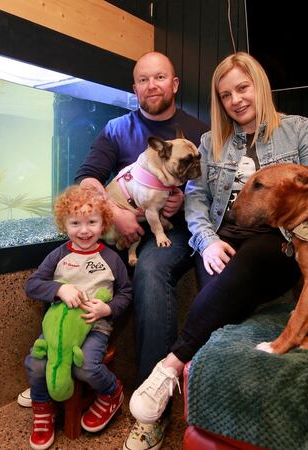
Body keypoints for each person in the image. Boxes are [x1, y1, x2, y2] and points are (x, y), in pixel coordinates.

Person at [128, 52, 308, 425]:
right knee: (222, 304)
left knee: (253, 258)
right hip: (222, 237)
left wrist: (291, 218)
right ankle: (215, 412)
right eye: (226, 95)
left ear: (259, 86)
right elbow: (195, 197)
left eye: (243, 88)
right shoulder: (211, 141)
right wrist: (207, 240)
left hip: (280, 239)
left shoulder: (298, 129)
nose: (236, 100)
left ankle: (170, 366)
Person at [74, 51, 209, 449]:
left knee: (149, 270)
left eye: (160, 78)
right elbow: (87, 179)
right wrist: (116, 213)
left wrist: (183, 200)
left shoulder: (197, 132)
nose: (152, 86)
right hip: (127, 224)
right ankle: (59, 373)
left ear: (175, 84)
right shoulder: (117, 128)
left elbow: (215, 190)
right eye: (144, 80)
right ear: (134, 88)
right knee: (73, 261)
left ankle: (153, 408)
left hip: (179, 231)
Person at [23, 185, 133, 450]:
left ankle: (111, 393)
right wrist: (59, 289)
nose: (84, 230)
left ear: (104, 222)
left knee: (86, 368)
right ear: (64, 224)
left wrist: (107, 309)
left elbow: (126, 293)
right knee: (34, 364)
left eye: (92, 222)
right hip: (57, 328)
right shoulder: (59, 255)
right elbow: (32, 284)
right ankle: (42, 409)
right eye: (75, 223)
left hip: (94, 326)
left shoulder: (111, 259)